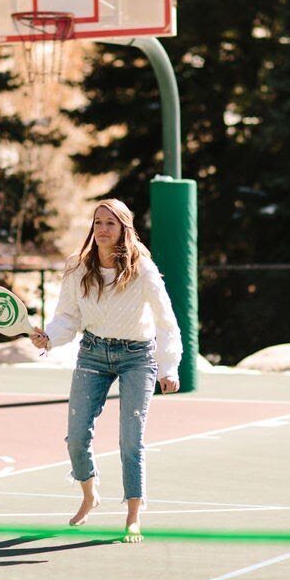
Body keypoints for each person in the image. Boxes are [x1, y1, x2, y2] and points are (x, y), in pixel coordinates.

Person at [30, 198, 182, 543]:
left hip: (137, 356)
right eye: (97, 222)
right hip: (93, 353)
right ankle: (89, 494)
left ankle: (132, 515)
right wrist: (49, 338)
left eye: (110, 223)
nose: (102, 229)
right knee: (76, 435)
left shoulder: (142, 269)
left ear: (123, 229)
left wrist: (168, 367)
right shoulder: (78, 267)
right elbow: (68, 317)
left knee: (132, 440)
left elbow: (165, 320)